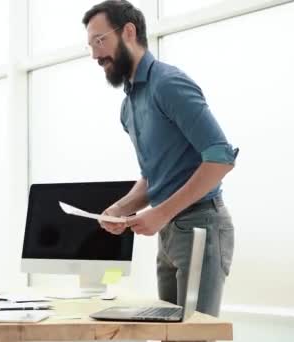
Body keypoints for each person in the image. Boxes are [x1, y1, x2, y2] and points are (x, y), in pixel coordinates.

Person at [82, 0, 238, 317]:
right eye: (91, 46)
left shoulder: (168, 84)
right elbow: (154, 177)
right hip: (168, 233)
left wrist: (160, 212)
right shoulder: (128, 108)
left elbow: (220, 158)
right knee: (167, 332)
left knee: (194, 338)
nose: (96, 55)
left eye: (100, 41)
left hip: (201, 227)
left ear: (129, 32)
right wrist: (122, 207)